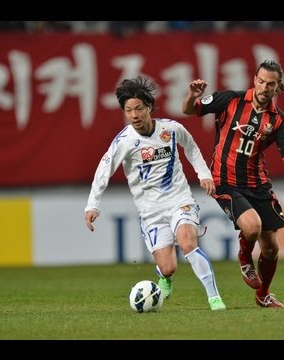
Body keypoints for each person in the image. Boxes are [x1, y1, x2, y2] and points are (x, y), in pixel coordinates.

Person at [182, 60, 284, 308]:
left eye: (271, 84)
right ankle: (245, 259)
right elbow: (190, 110)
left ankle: (263, 295)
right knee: (252, 226)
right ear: (255, 79)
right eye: (262, 81)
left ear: (278, 87)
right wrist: (192, 95)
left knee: (271, 249)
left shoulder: (276, 119)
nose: (265, 87)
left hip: (258, 184)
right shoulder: (230, 100)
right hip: (225, 182)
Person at [85, 76, 226, 311]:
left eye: (138, 108)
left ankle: (214, 298)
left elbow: (190, 146)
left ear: (149, 106)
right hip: (150, 211)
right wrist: (93, 205)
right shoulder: (124, 142)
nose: (134, 115)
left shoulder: (171, 129)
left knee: (188, 243)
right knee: (168, 266)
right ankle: (164, 276)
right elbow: (103, 171)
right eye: (128, 110)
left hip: (179, 199)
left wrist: (204, 174)